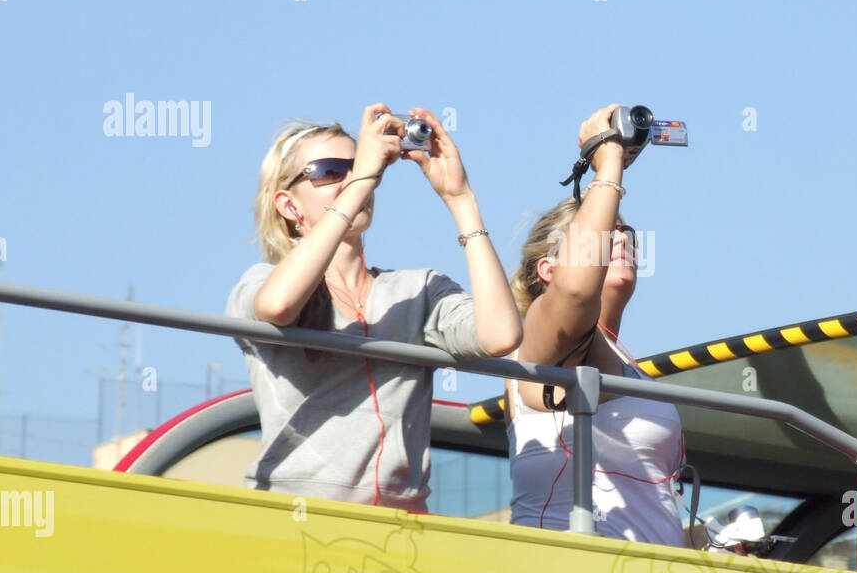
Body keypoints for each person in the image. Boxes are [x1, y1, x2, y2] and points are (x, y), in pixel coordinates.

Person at [227, 103, 522, 509]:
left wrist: (461, 200)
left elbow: (501, 335)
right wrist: (363, 177)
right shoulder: (260, 282)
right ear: (289, 206)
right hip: (295, 523)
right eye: (331, 170)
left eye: (358, 166)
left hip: (400, 536)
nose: (351, 179)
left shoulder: (416, 289)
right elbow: (278, 307)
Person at [504, 104, 685, 546]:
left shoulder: (631, 364)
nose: (618, 236)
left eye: (625, 231)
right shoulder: (537, 334)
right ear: (548, 269)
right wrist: (608, 168)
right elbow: (575, 293)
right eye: (606, 231)